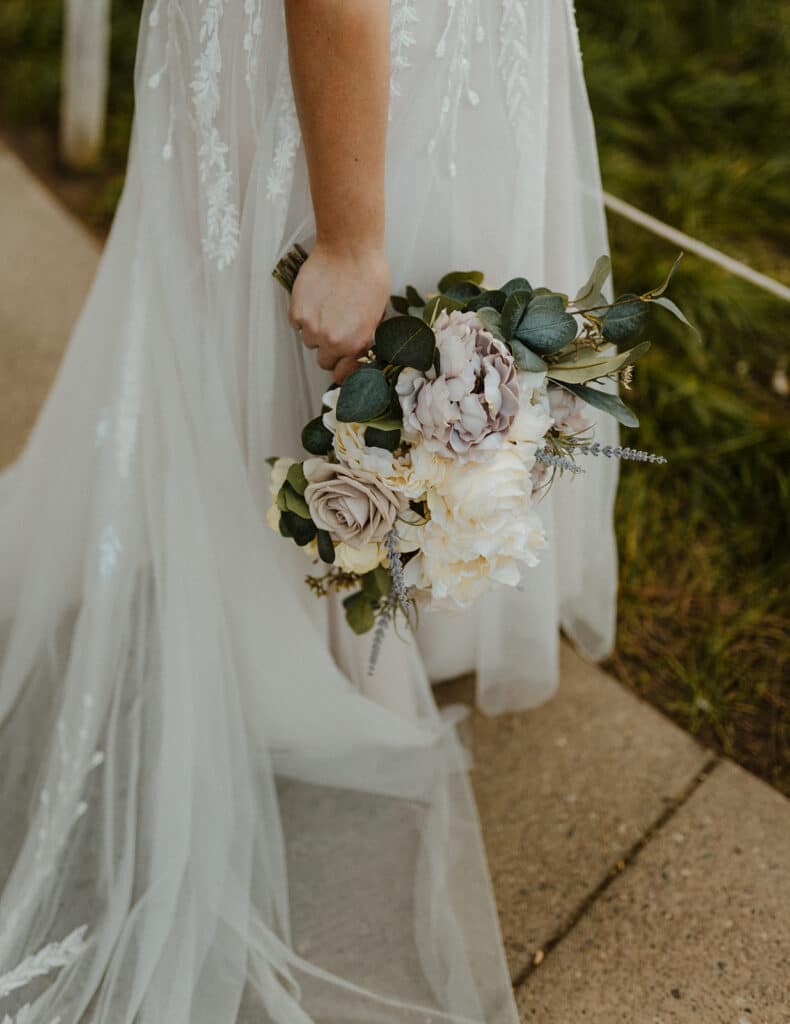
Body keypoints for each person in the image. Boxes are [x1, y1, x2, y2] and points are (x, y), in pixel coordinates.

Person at [0, 2, 618, 1021]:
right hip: (344, 53)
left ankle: (373, 596)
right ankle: (318, 623)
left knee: (413, 334)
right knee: (329, 348)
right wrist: (349, 234)